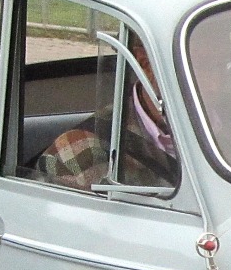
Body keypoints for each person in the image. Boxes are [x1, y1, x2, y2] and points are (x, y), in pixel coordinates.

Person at [39, 34, 179, 192]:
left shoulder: (211, 136)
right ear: (146, 64)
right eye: (205, 65)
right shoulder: (79, 158)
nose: (213, 84)